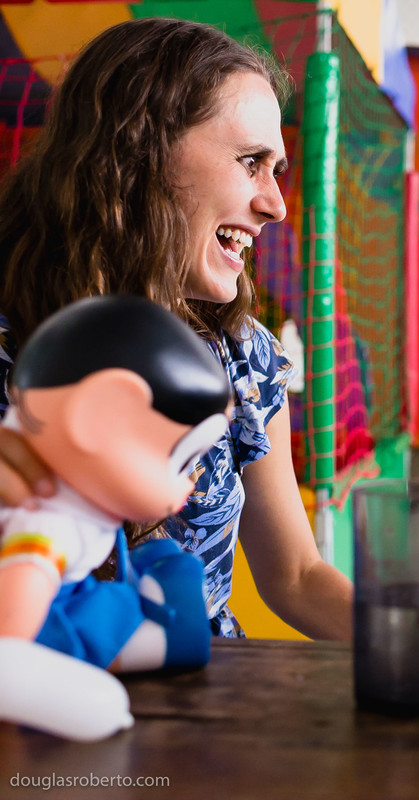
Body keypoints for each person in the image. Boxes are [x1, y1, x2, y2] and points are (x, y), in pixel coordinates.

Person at [0, 18, 352, 641]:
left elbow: (296, 574)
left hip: (209, 700)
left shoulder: (245, 358)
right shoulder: (13, 352)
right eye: (251, 162)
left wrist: (408, 633)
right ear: (139, 151)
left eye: (279, 170)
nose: (276, 204)